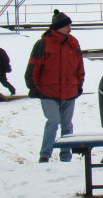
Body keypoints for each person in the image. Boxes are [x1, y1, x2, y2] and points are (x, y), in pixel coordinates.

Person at [25, 10, 85, 163]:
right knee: (53, 121)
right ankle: (45, 155)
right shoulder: (42, 44)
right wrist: (32, 87)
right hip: (47, 91)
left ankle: (66, 156)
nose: (70, 28)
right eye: (67, 26)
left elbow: (79, 66)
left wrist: (79, 84)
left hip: (70, 90)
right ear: (58, 27)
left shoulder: (74, 42)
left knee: (67, 125)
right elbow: (33, 66)